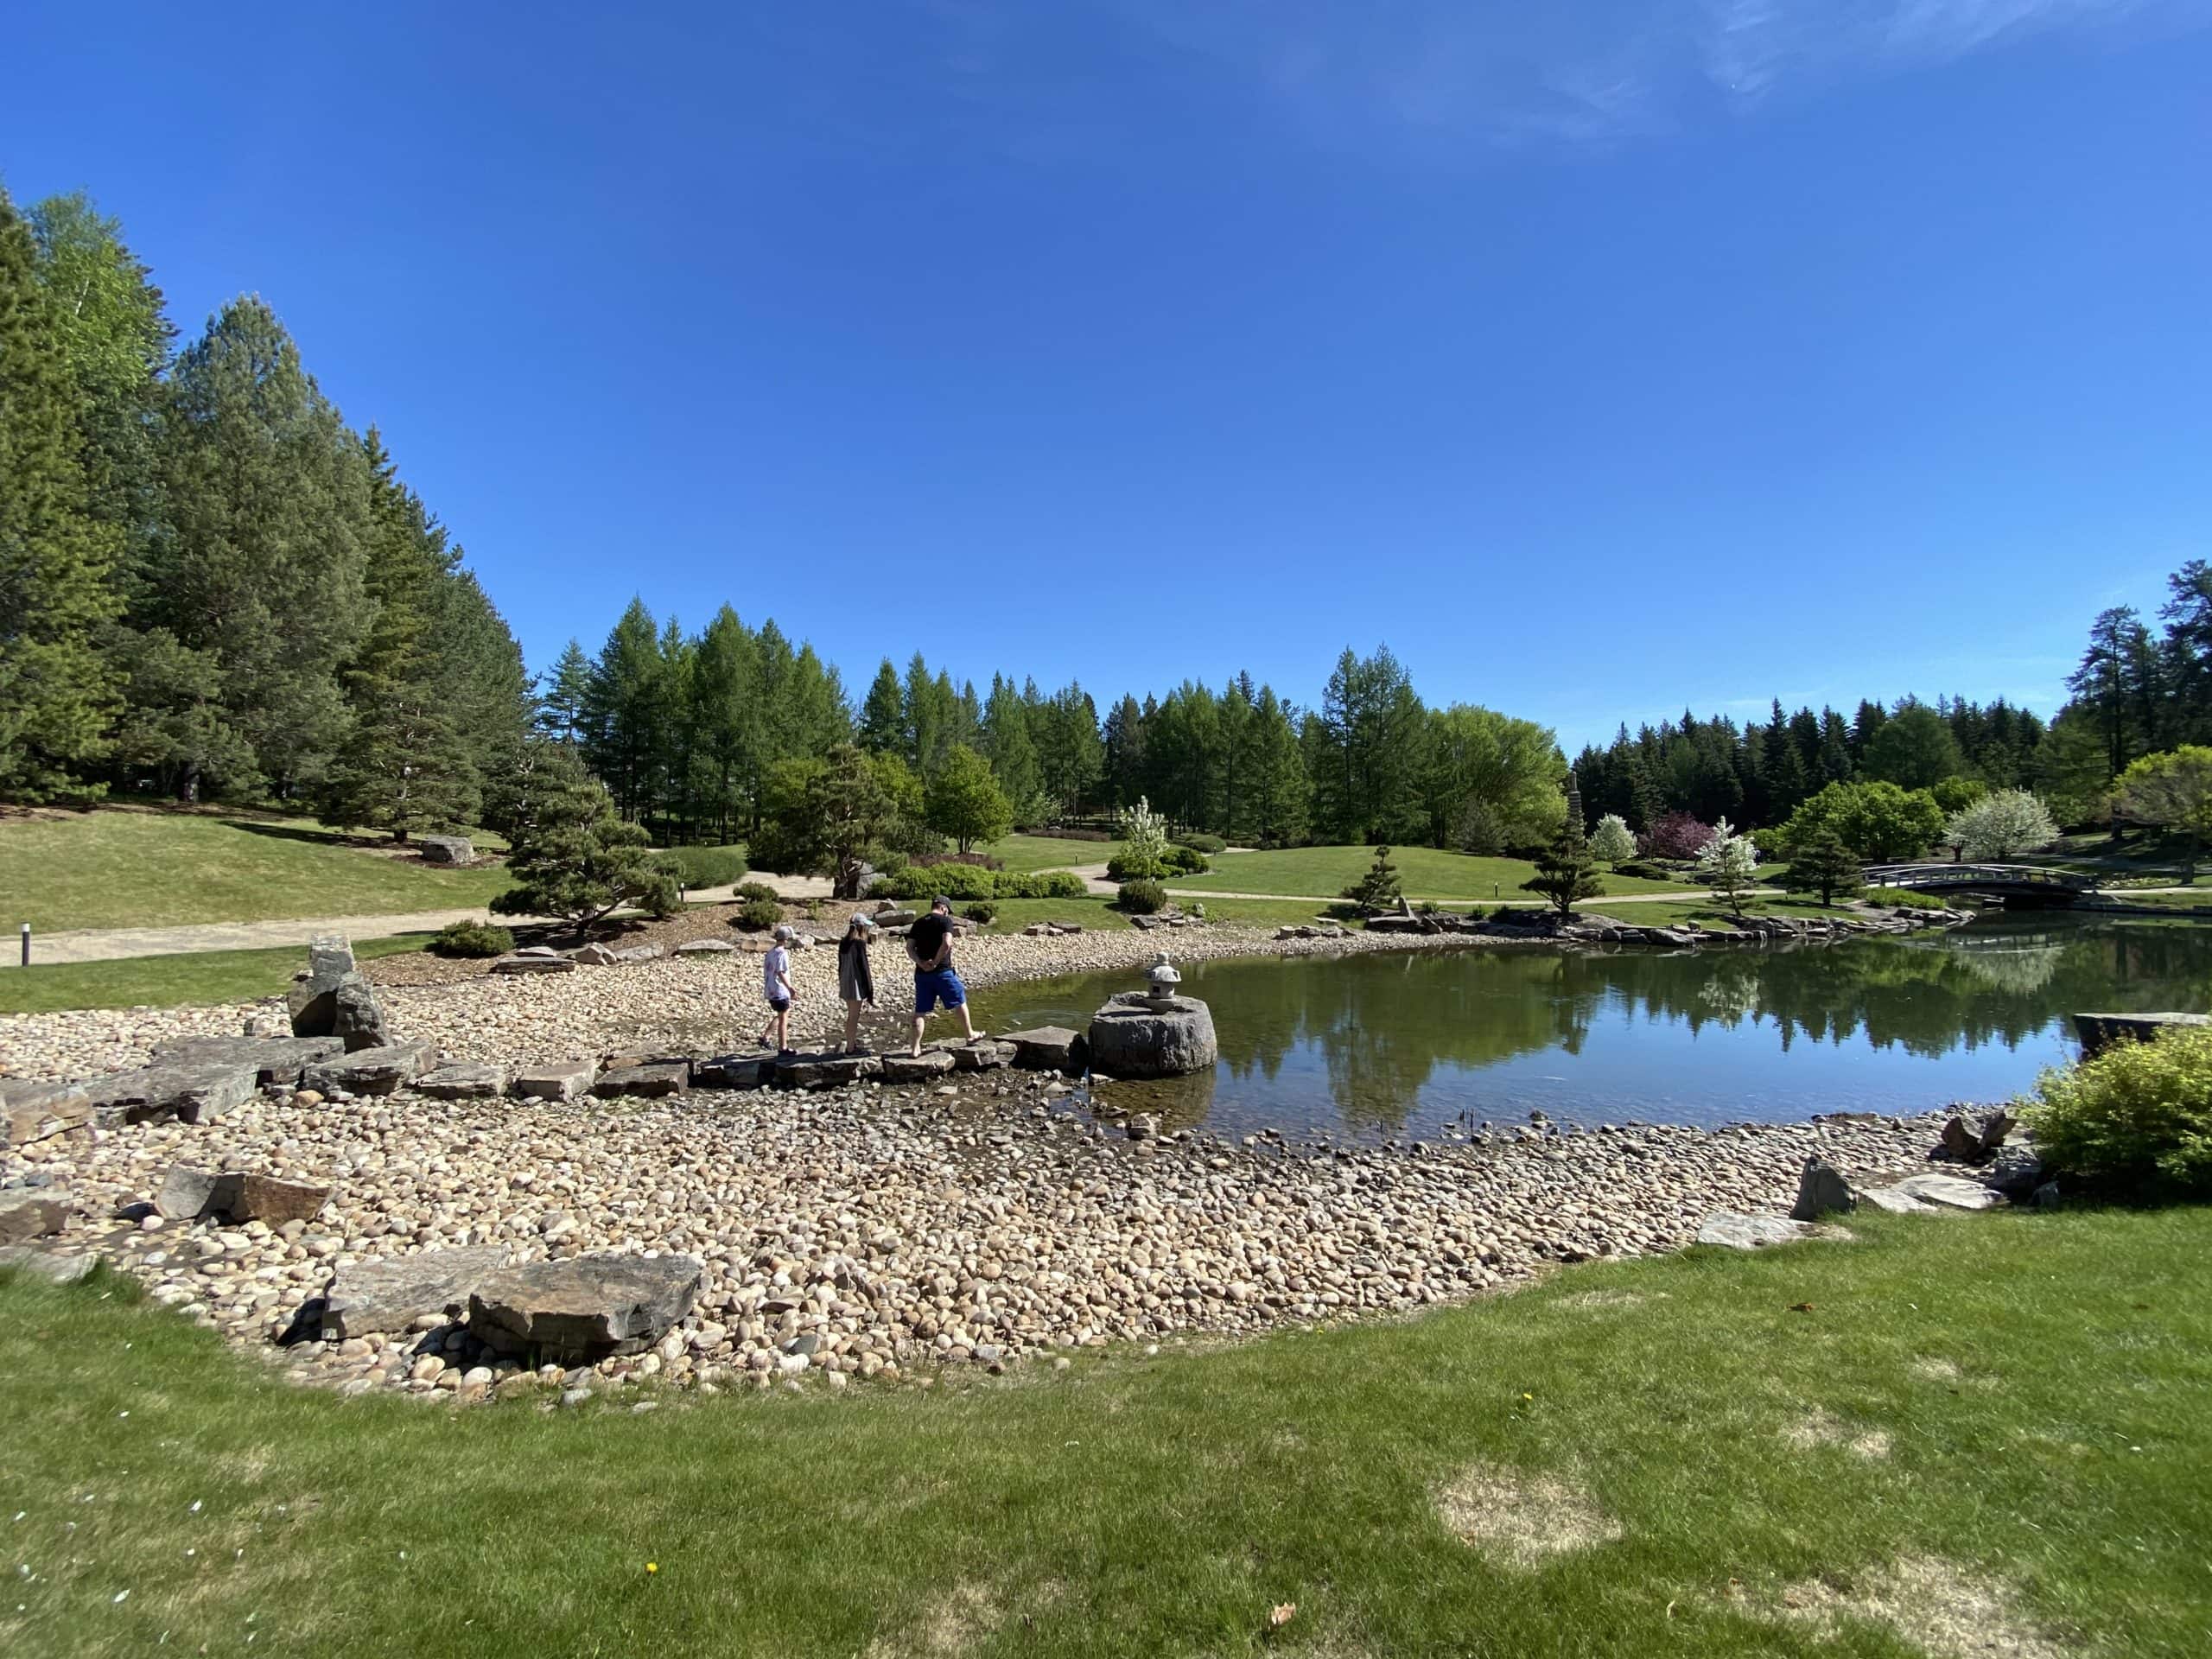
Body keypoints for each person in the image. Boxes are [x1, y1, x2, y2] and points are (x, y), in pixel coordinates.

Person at [907, 894, 975, 1056]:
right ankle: (970, 1035)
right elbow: (947, 943)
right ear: (943, 908)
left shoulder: (918, 923)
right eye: (947, 911)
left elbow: (909, 948)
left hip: (922, 973)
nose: (947, 914)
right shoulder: (945, 922)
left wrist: (921, 963)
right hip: (942, 971)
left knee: (920, 1011)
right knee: (959, 999)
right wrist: (936, 962)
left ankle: (915, 1048)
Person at [837, 912, 876, 1055]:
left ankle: (851, 1043)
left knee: (851, 1015)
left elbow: (840, 965)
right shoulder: (859, 943)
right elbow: (864, 968)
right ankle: (850, 1048)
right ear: (861, 927)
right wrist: (870, 991)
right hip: (855, 983)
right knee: (854, 1017)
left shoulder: (844, 942)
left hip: (845, 981)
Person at [756, 925, 797, 1053]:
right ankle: (783, 1048)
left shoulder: (771, 952)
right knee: (784, 1018)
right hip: (780, 990)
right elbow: (780, 972)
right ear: (786, 939)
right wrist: (790, 988)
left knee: (781, 1014)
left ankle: (765, 1038)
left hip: (770, 989)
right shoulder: (782, 953)